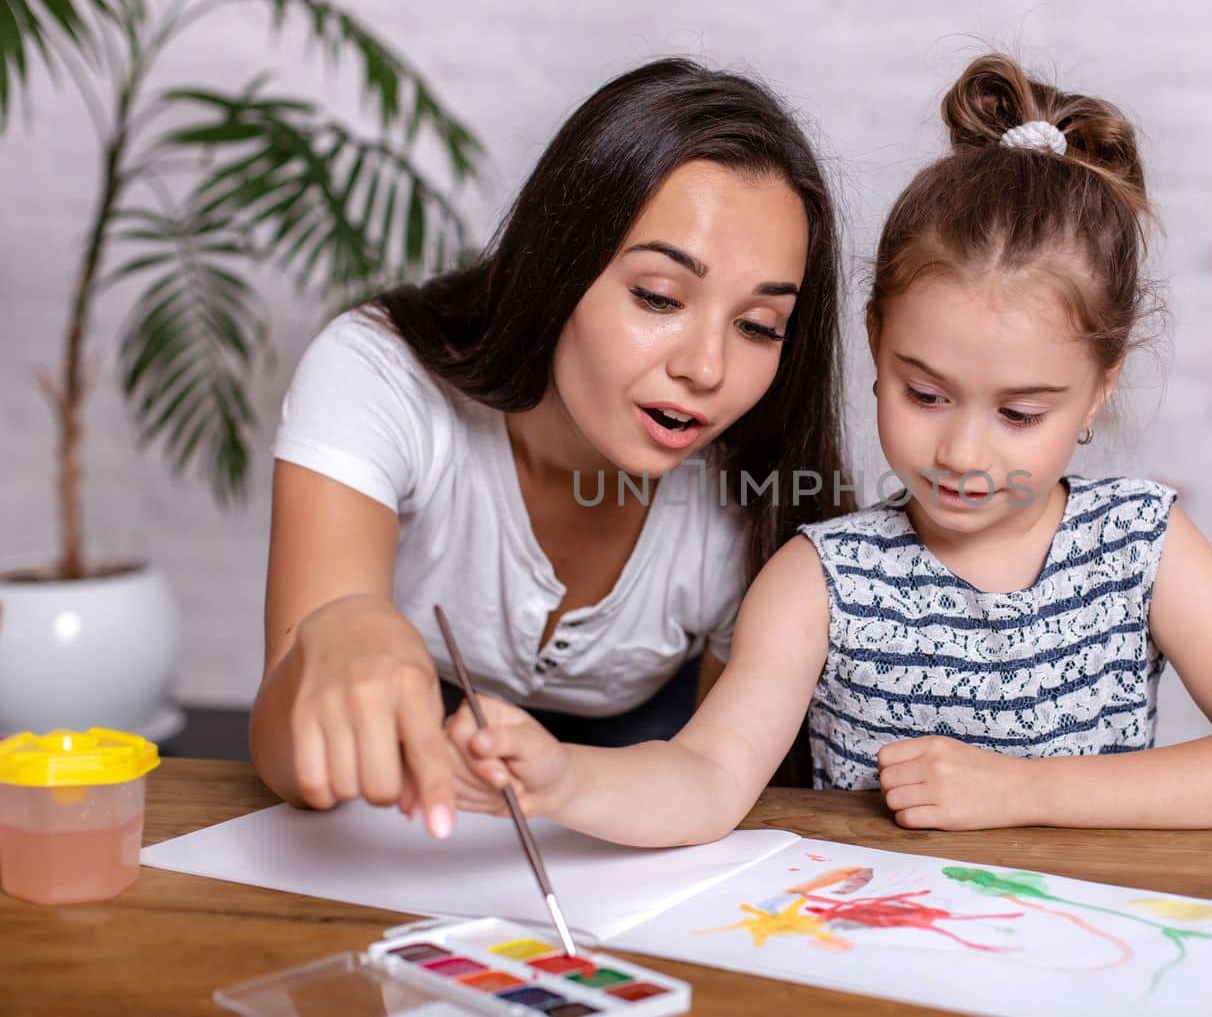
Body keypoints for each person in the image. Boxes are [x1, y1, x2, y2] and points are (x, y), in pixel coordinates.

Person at [444, 53, 1212, 842]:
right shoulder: (819, 579)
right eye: (925, 393)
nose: (960, 448)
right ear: (875, 344)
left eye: (1020, 413)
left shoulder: (1144, 547)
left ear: (1101, 386)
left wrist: (1021, 790)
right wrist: (566, 778)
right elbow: (709, 776)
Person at [250, 58, 850, 839]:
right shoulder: (378, 376)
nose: (706, 367)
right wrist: (339, 628)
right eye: (659, 297)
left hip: (635, 809)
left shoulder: (758, 492)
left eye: (758, 326)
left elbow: (717, 780)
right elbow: (285, 759)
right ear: (557, 263)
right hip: (404, 822)